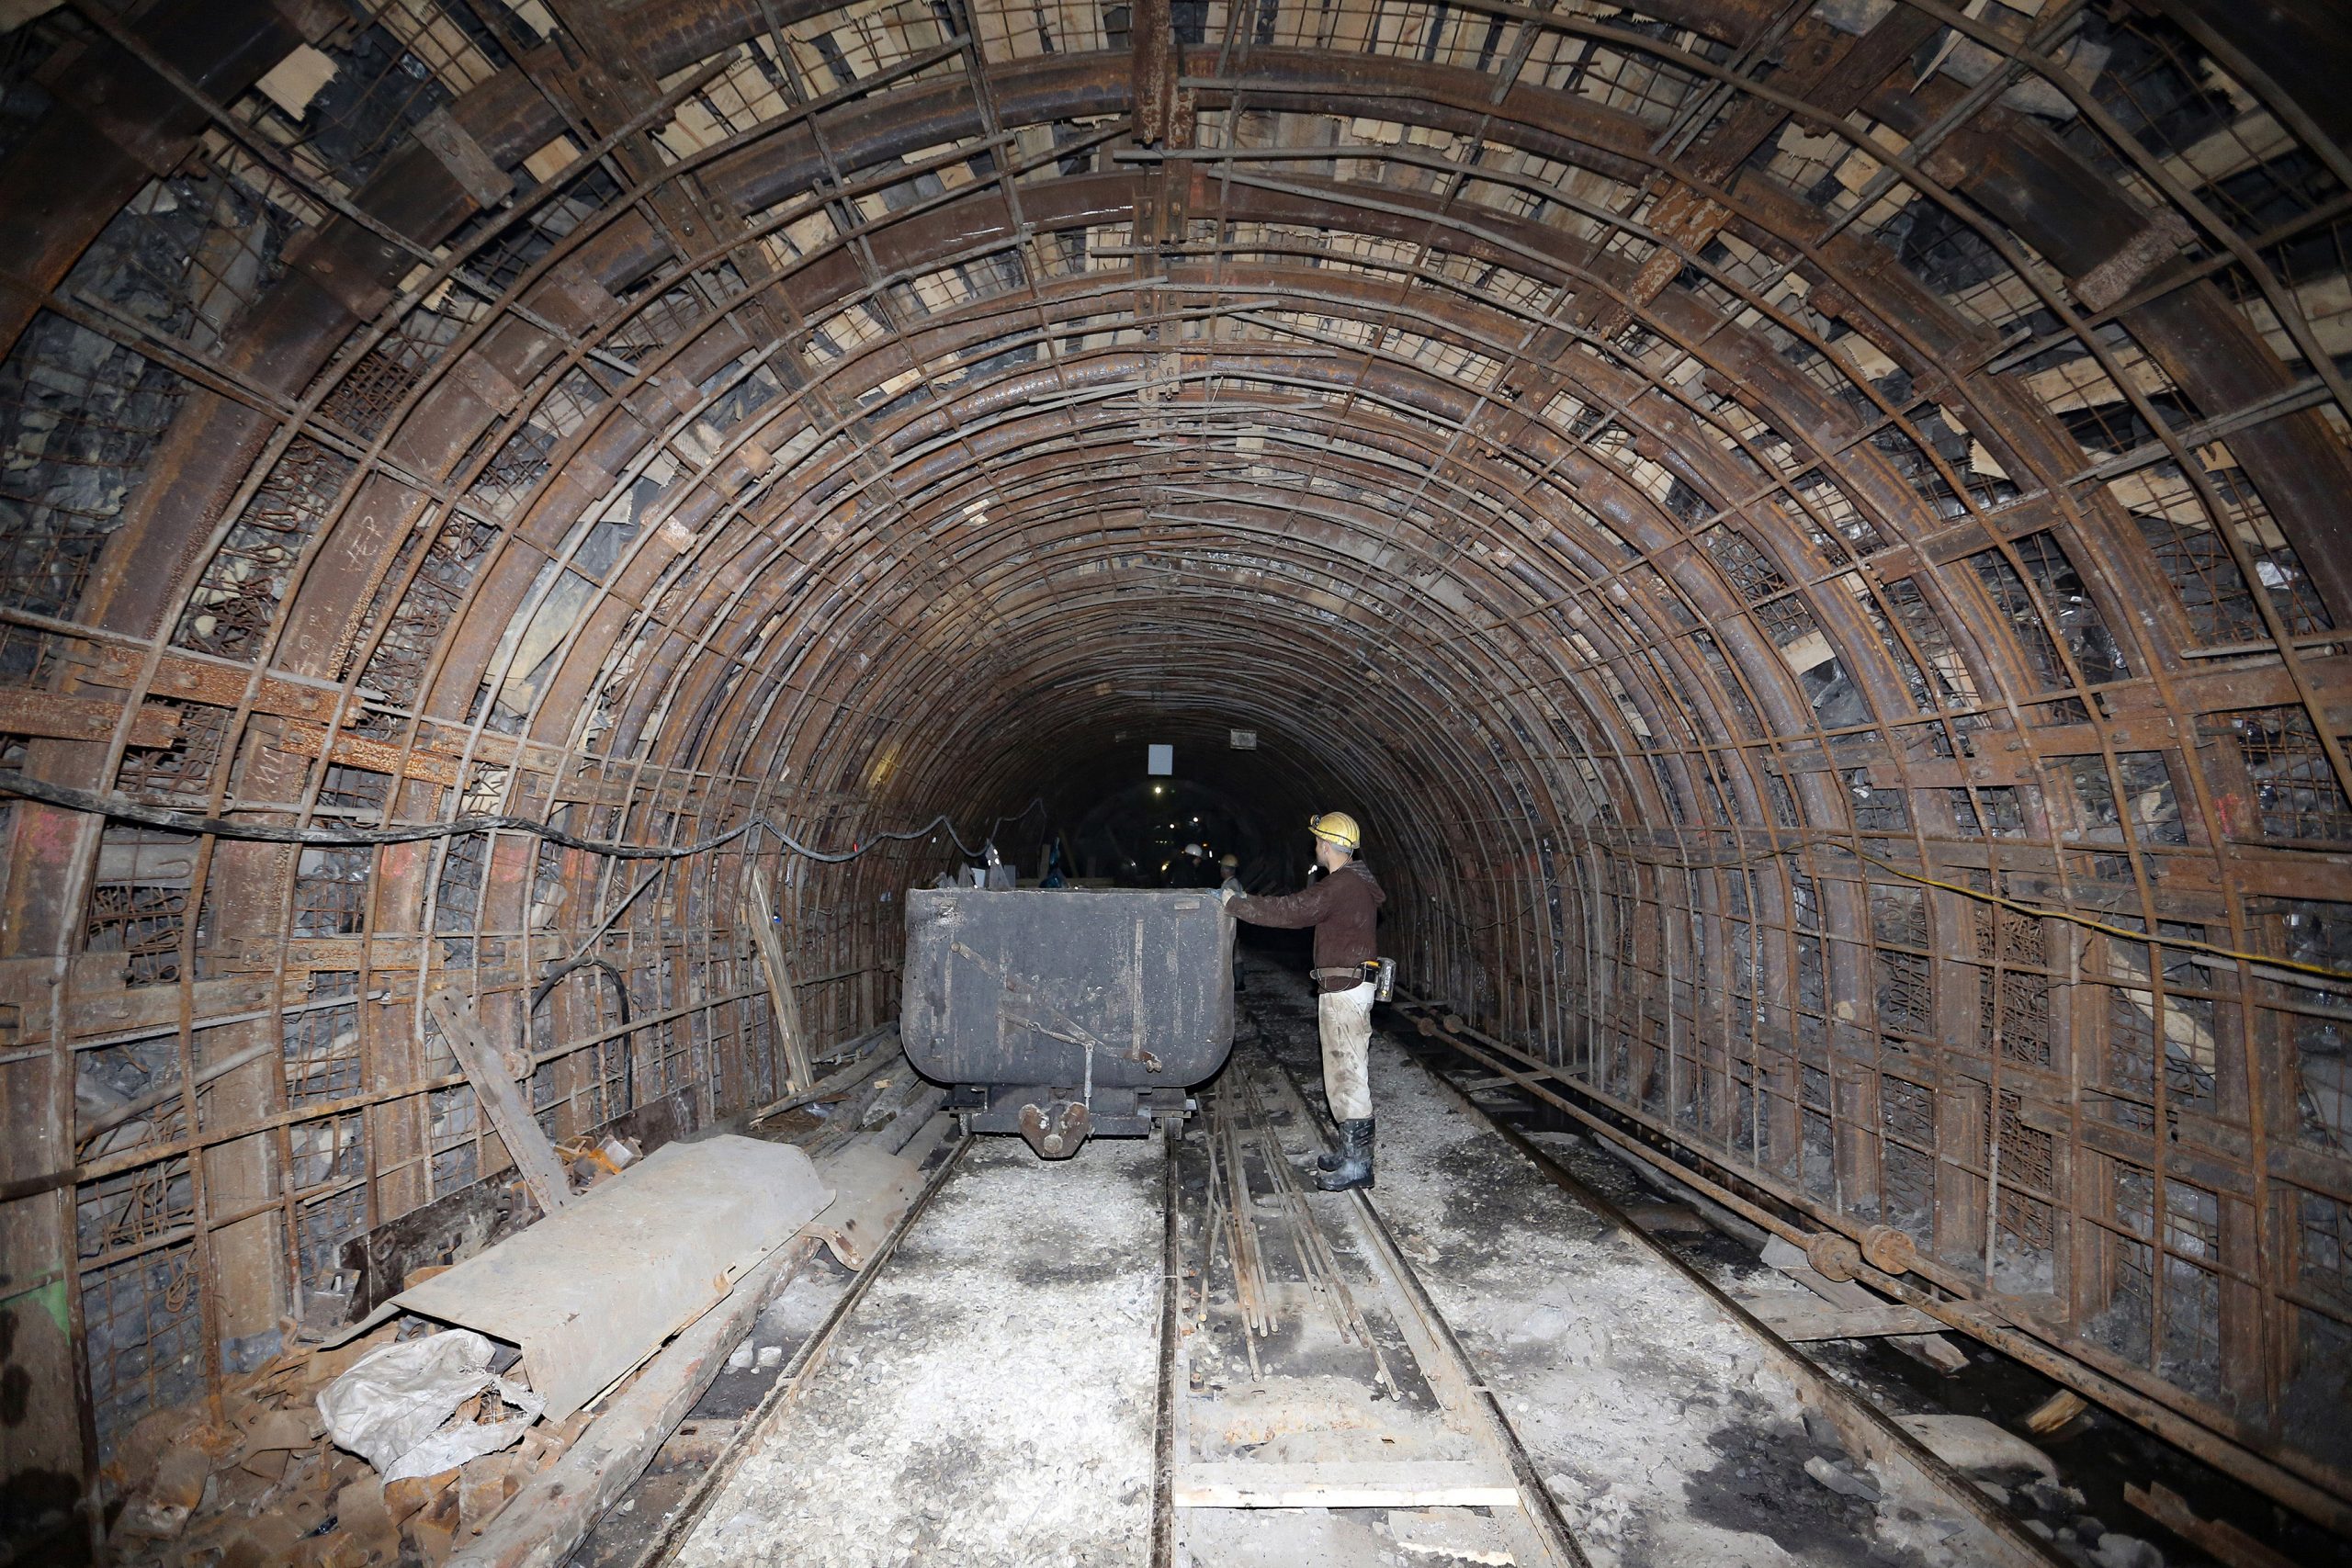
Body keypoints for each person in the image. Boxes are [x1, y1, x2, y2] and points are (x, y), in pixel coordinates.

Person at [1218, 813, 1385, 1190]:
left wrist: (1237, 904)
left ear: (1326, 845)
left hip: (1345, 991)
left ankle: (1359, 1165)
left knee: (1348, 1073)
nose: (1315, 848)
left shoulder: (1341, 885)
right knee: (1344, 1070)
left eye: (1316, 842)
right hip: (1348, 986)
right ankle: (1349, 1152)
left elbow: (1292, 911)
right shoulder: (1355, 882)